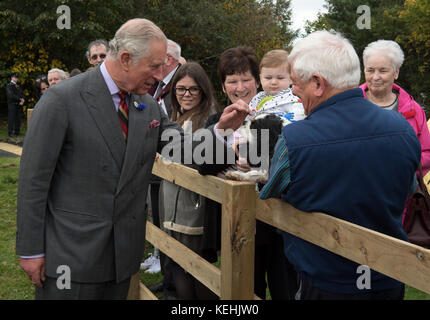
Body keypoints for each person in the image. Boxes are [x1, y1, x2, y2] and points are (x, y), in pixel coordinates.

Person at [16, 18, 248, 300]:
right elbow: (33, 182)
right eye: (154, 65)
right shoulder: (62, 99)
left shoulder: (147, 106)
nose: (161, 73)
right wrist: (30, 250)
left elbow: (180, 146)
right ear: (126, 58)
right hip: (70, 259)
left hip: (121, 258)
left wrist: (222, 129)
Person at [259, 30, 420, 300]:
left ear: (318, 84)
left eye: (296, 83)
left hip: (324, 280)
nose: (292, 90)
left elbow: (269, 192)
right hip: (388, 277)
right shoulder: (403, 129)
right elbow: (408, 188)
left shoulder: (294, 139)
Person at [212, 46, 298, 300]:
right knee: (245, 288)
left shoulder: (290, 109)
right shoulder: (218, 120)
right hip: (239, 222)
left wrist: (254, 155)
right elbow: (202, 162)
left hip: (280, 218)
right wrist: (233, 151)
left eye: (245, 79)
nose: (239, 87)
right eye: (232, 81)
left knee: (286, 286)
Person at [159, 61, 219, 300]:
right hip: (172, 205)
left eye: (193, 89)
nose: (186, 94)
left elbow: (204, 160)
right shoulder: (176, 117)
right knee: (179, 267)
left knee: (196, 270)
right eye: (180, 89)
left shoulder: (210, 119)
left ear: (203, 90)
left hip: (194, 209)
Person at [359, 40, 430, 176]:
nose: (375, 77)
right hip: (359, 190)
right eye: (370, 70)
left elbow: (427, 153)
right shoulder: (349, 105)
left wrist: (402, 164)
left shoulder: (413, 109)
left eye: (383, 70)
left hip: (402, 191)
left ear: (396, 72)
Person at [248, 49, 305, 123]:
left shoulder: (293, 97)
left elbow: (299, 115)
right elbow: (248, 116)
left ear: (291, 79)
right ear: (261, 78)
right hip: (258, 131)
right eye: (268, 78)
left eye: (280, 78)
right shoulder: (257, 98)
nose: (274, 82)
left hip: (280, 131)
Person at [5, 73, 25, 137]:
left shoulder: (18, 86)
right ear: (12, 78)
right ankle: (10, 133)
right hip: (12, 104)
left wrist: (23, 99)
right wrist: (20, 99)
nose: (16, 79)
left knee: (18, 118)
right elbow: (11, 95)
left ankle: (17, 132)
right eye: (15, 77)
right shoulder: (9, 85)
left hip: (18, 104)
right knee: (11, 118)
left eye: (17, 78)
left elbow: (22, 93)